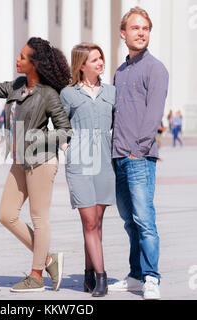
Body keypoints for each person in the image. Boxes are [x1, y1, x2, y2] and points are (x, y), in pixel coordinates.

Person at [0, 37, 72, 292]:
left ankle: (37, 276)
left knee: (39, 219)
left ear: (34, 63)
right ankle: (49, 259)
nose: (17, 59)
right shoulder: (17, 85)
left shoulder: (49, 95)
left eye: (22, 56)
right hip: (20, 161)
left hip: (41, 161)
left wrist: (40, 137)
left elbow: (65, 131)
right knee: (6, 215)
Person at [109, 7, 169, 300]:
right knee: (129, 220)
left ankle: (152, 276)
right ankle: (135, 275)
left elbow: (153, 115)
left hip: (139, 157)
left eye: (145, 28)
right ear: (124, 33)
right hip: (118, 157)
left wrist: (137, 152)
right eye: (135, 28)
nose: (141, 33)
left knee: (145, 220)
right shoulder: (120, 72)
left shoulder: (155, 69)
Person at [60, 43, 116, 297]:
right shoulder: (68, 94)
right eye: (94, 59)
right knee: (89, 221)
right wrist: (65, 144)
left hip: (104, 162)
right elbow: (60, 123)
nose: (100, 62)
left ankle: (88, 275)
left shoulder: (111, 92)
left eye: (101, 58)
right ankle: (101, 278)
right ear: (81, 66)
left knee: (97, 223)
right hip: (80, 162)